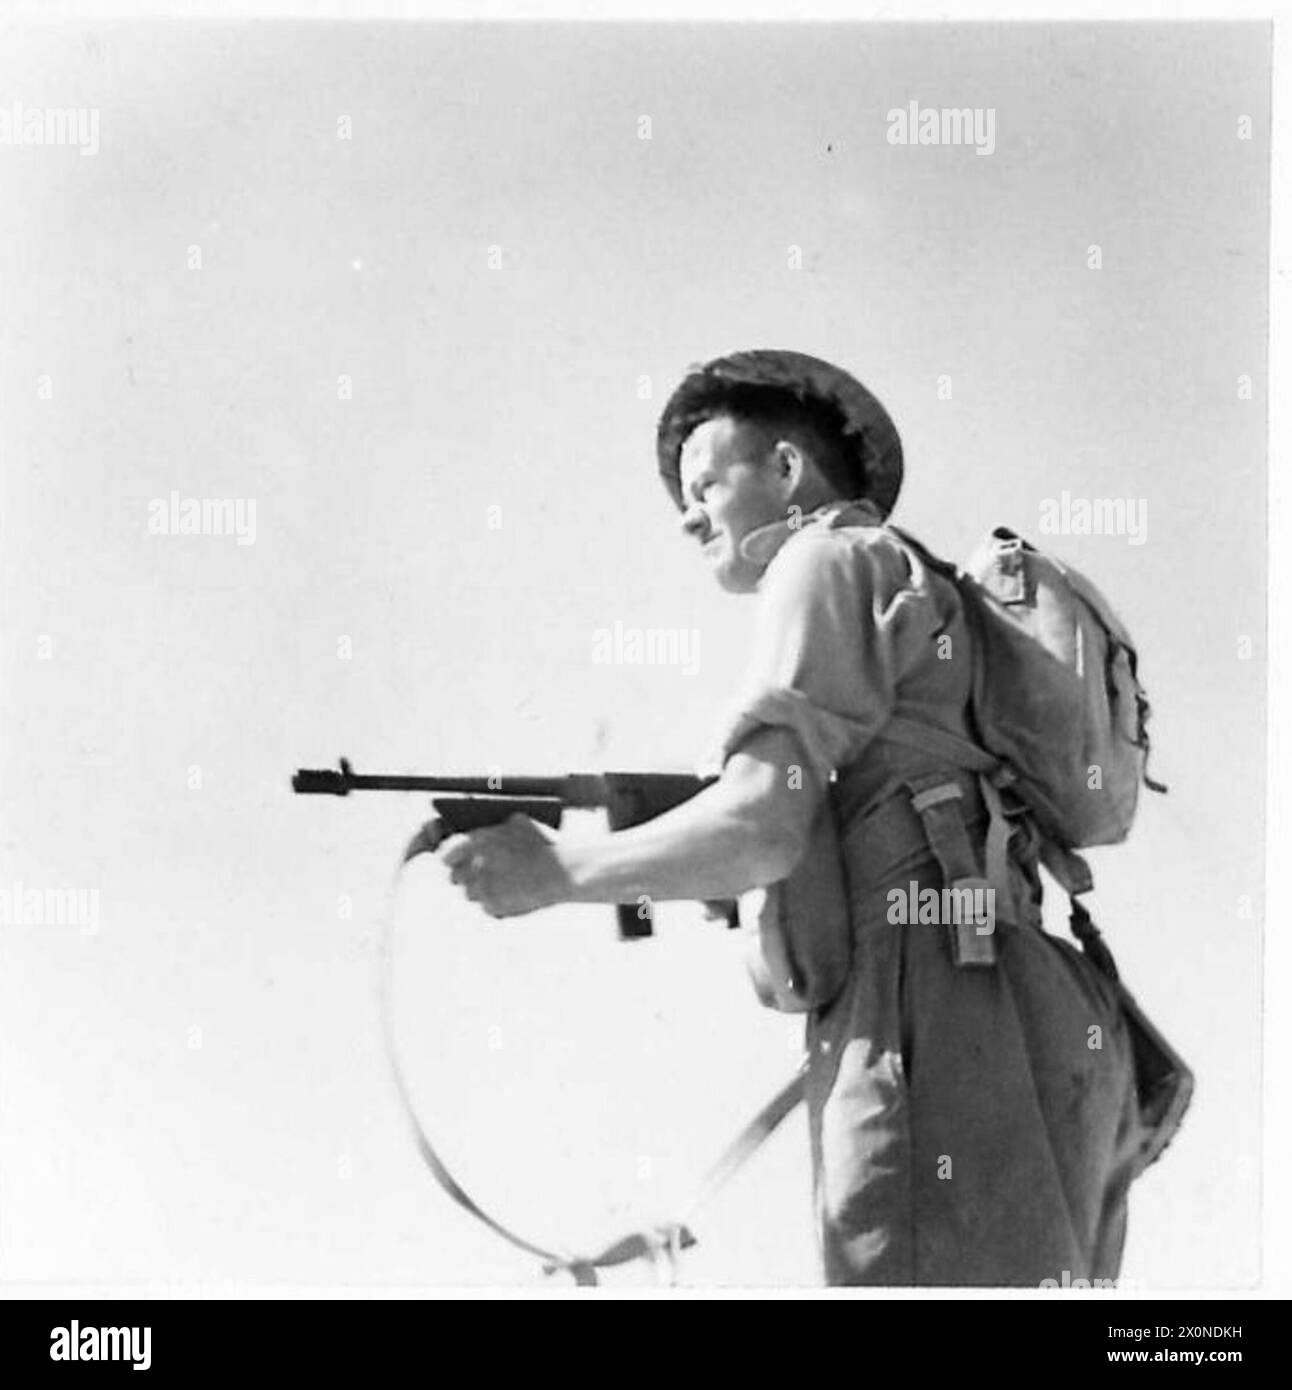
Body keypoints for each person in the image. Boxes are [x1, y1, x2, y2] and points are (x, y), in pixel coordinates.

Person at [438, 349, 1150, 1287]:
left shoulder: (820, 557)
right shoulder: (927, 596)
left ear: (786, 471)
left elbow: (761, 825)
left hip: (928, 1009)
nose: (689, 515)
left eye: (705, 483)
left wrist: (555, 874)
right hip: (1040, 1017)